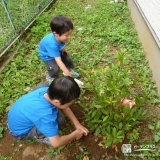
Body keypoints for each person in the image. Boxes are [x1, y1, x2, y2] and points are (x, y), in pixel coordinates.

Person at [7, 76, 89, 148]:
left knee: (42, 84)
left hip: (16, 117)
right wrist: (75, 134)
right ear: (56, 102)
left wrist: (77, 124)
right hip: (19, 133)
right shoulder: (46, 115)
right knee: (60, 120)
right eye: (70, 103)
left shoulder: (45, 90)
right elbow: (56, 143)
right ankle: (42, 137)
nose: (72, 104)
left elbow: (63, 106)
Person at [38, 15, 79, 84]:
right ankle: (51, 76)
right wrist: (67, 74)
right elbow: (59, 61)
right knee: (54, 68)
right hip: (48, 56)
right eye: (66, 35)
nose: (69, 37)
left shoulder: (60, 38)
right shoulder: (52, 44)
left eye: (70, 34)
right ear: (56, 34)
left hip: (56, 51)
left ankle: (69, 69)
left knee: (67, 59)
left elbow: (60, 45)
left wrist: (63, 49)